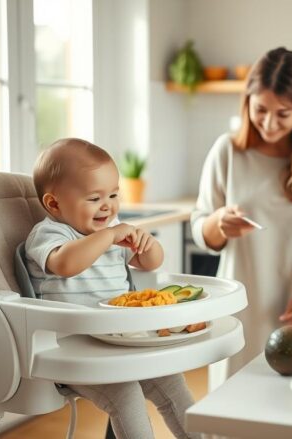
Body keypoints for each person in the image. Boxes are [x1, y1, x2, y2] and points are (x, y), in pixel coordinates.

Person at [191, 47, 292, 377]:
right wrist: (218, 223)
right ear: (247, 102)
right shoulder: (227, 151)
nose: (269, 123)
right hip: (240, 312)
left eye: (283, 113)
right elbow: (201, 227)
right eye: (260, 110)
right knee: (233, 412)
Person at [25, 138, 198, 439]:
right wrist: (110, 236)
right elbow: (65, 264)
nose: (108, 206)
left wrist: (148, 245)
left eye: (114, 195)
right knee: (127, 394)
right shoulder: (49, 234)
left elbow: (151, 263)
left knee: (173, 384)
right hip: (74, 351)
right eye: (94, 198)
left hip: (123, 341)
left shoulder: (111, 232)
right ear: (54, 204)